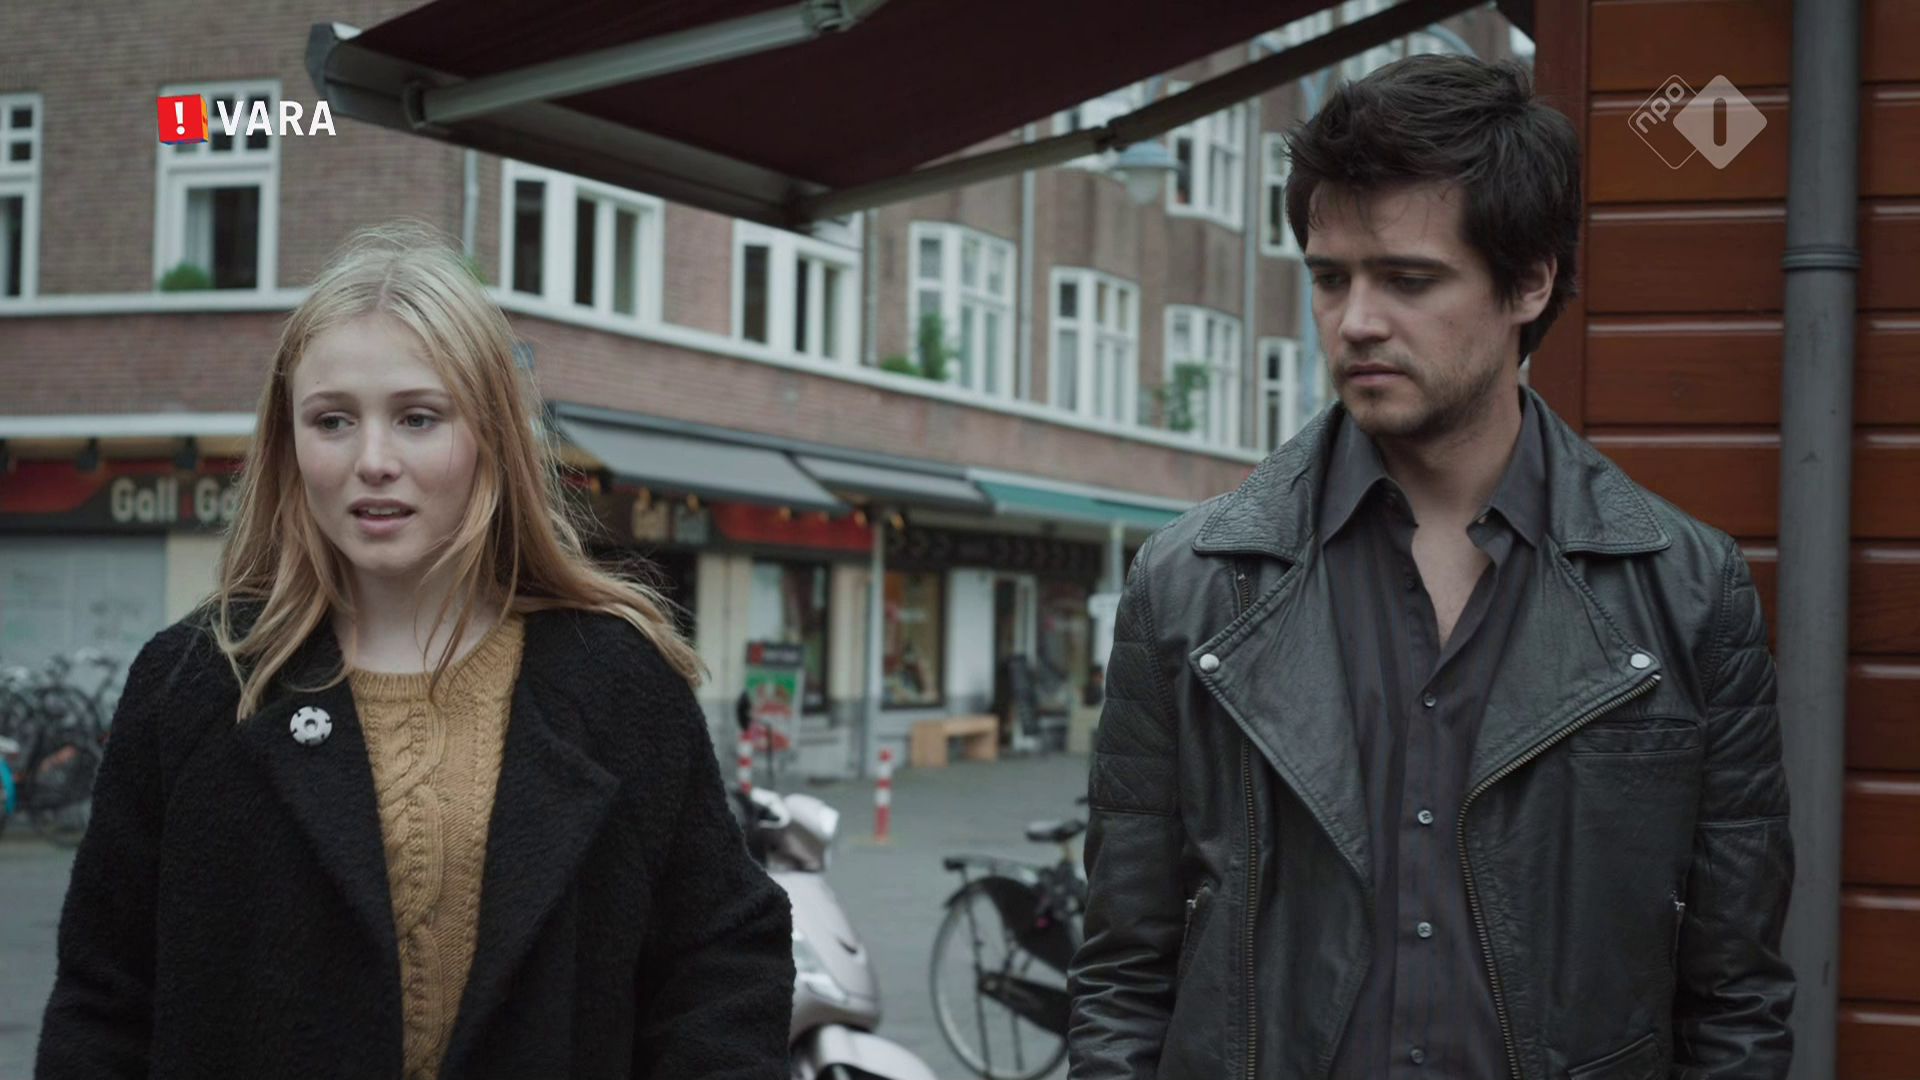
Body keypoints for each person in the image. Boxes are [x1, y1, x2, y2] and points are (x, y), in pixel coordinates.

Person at [1067, 55, 1793, 1079]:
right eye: (1330, 278)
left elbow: (1735, 996)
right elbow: (1122, 974)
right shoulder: (1191, 583)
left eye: (1407, 279)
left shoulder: (1686, 589)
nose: (1356, 320)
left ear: (1529, 281)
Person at [36, 223, 794, 1080]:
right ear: (288, 444)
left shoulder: (618, 679)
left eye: (418, 418)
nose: (374, 460)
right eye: (332, 420)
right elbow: (103, 1002)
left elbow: (719, 957)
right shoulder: (196, 683)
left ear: (491, 435)